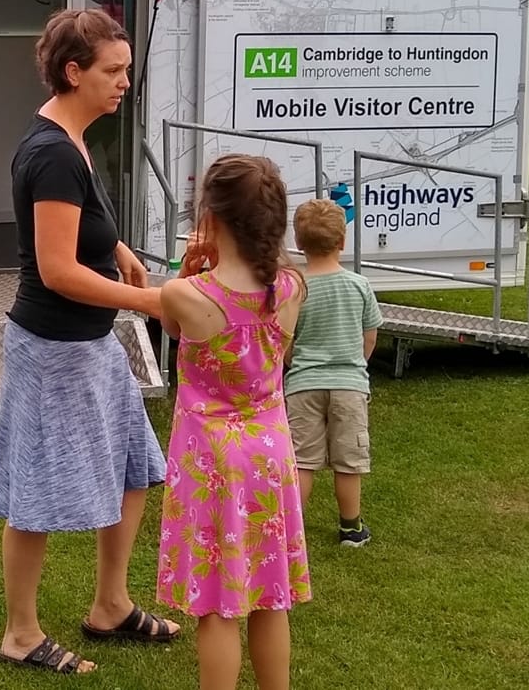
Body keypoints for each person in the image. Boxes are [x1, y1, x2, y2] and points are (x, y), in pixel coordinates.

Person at [0, 8, 179, 677]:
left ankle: (110, 603)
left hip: (92, 348)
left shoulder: (70, 138)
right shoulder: (50, 153)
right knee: (36, 495)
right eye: (113, 70)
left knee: (137, 469)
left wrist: (121, 248)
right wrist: (151, 300)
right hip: (53, 350)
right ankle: (20, 632)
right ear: (74, 72)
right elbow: (57, 269)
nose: (125, 81)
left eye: (126, 68)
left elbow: (80, 232)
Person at [154, 155, 312, 690]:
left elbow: (173, 327)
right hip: (270, 450)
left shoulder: (188, 293)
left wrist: (188, 268)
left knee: (217, 604)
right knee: (272, 595)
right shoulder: (291, 287)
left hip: (209, 461)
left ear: (212, 218)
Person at [285, 198, 381, 547]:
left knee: (302, 460)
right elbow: (369, 337)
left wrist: (293, 365)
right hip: (349, 386)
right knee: (348, 461)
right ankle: (351, 528)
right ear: (342, 242)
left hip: (302, 386)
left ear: (299, 243)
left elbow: (285, 339)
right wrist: (358, 365)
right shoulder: (359, 285)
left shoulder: (295, 288)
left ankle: (289, 532)